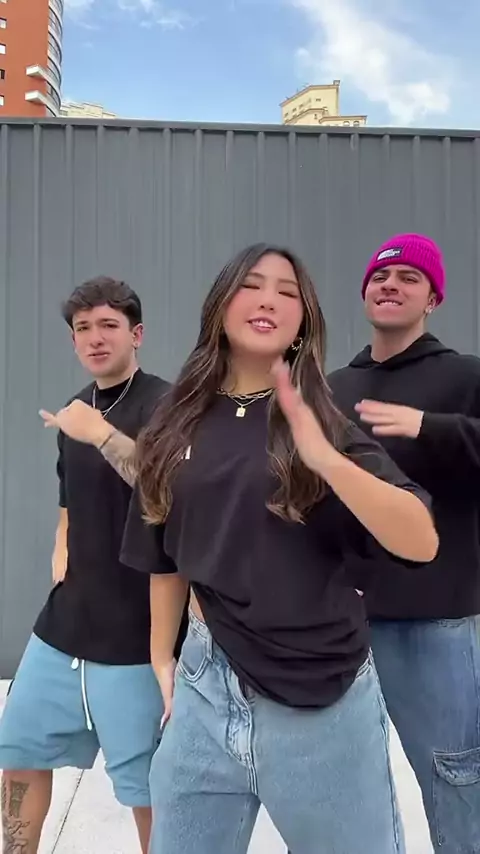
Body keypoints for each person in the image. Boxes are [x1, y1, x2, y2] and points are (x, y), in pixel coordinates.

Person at [120, 243, 439, 854]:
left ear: (303, 320)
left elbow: (421, 540)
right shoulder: (172, 419)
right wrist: (163, 658)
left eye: (287, 292)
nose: (268, 299)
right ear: (220, 304)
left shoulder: (322, 423)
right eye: (252, 284)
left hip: (320, 696)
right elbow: (163, 546)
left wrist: (326, 460)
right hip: (206, 685)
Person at [0, 277, 183, 854]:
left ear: (137, 333)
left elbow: (174, 494)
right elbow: (69, 504)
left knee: (150, 788)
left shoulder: (168, 405)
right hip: (65, 626)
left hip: (136, 634)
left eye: (108, 325)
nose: (95, 338)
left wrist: (102, 435)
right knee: (18, 753)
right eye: (83, 328)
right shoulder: (76, 409)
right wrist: (62, 548)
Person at [328, 232, 480, 854]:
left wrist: (429, 427)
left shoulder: (466, 377)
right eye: (380, 276)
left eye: (409, 278)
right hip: (338, 619)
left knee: (455, 777)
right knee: (335, 785)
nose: (390, 284)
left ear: (433, 299)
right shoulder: (332, 387)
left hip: (432, 621)